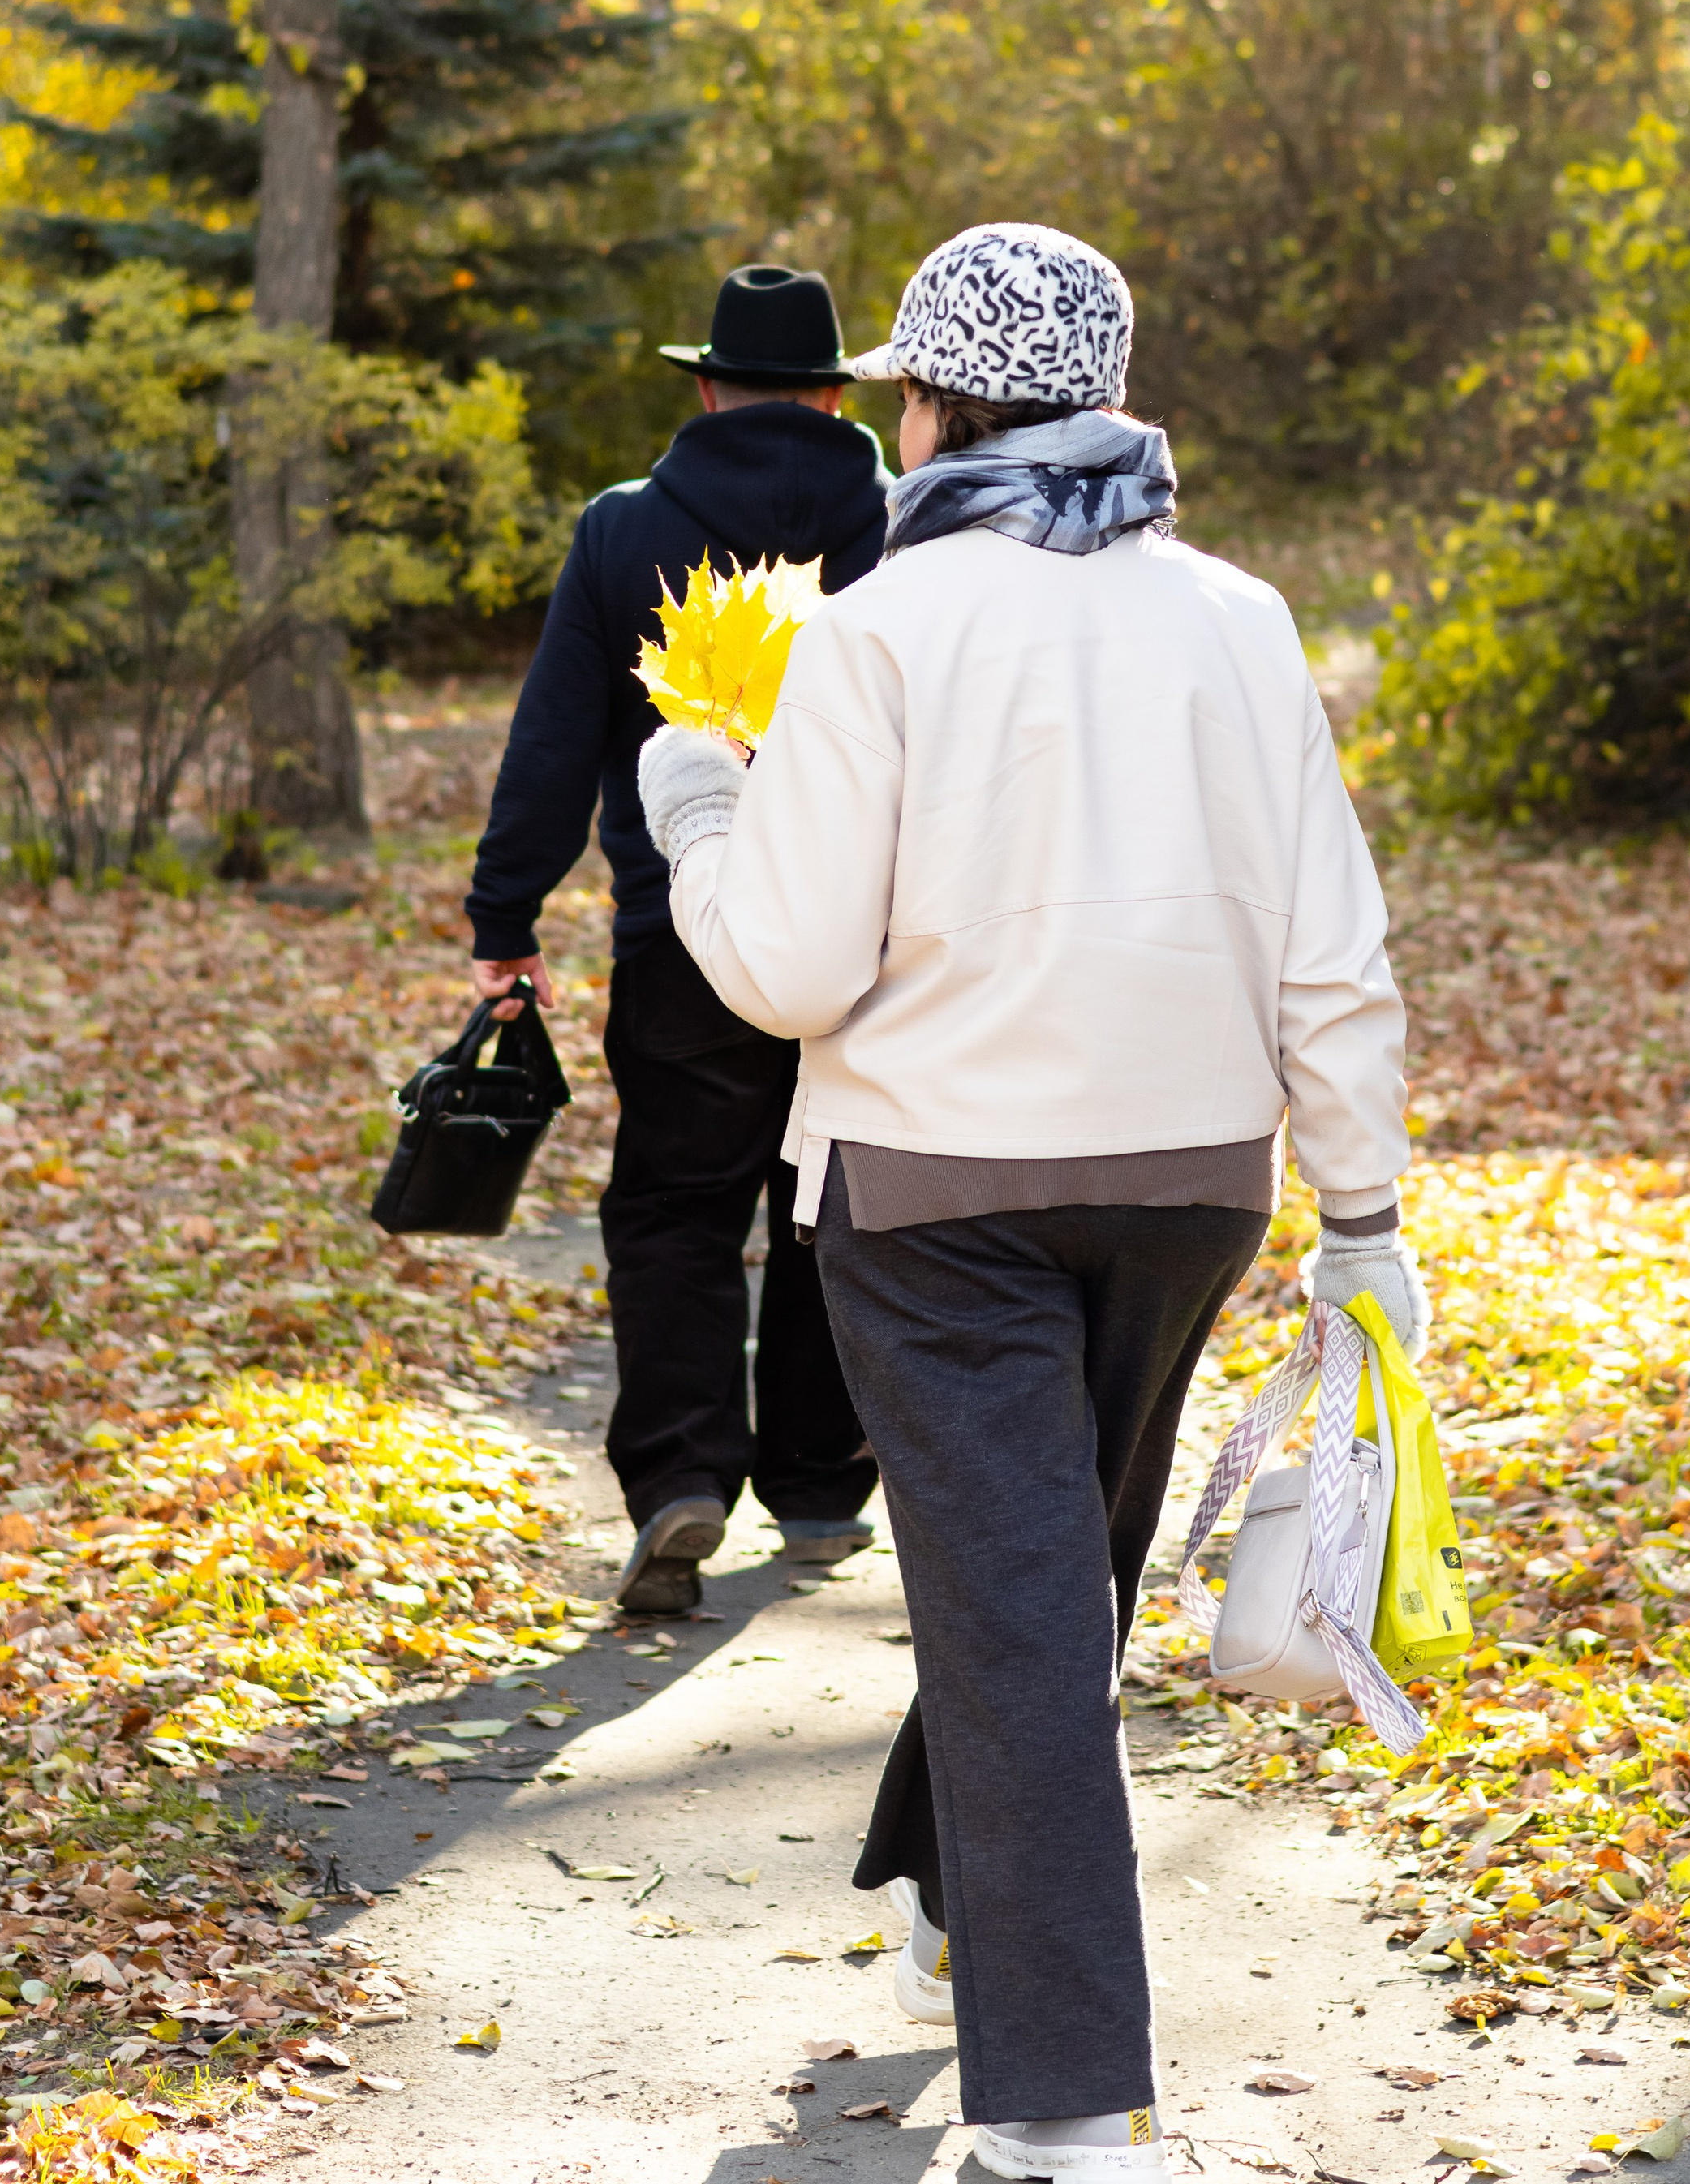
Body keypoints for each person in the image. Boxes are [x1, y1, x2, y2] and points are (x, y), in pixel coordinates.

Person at [634, 221, 1428, 2184]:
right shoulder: (1240, 617)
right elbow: (1330, 944)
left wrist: (696, 813)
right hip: (1183, 1190)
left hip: (933, 1199)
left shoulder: (883, 630)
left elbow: (790, 972)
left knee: (1016, 1613)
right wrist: (1362, 1216)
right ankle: (941, 1893)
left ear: (931, 406)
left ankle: (1068, 2117)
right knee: (1037, 1590)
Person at [466, 263, 892, 1615]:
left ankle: (679, 1475)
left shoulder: (623, 530)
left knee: (673, 1207)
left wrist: (505, 917)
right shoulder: (906, 528)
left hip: (684, 932)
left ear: (705, 386)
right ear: (835, 394)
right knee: (833, 1208)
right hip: (868, 934)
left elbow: (551, 741)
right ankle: (823, 1486)